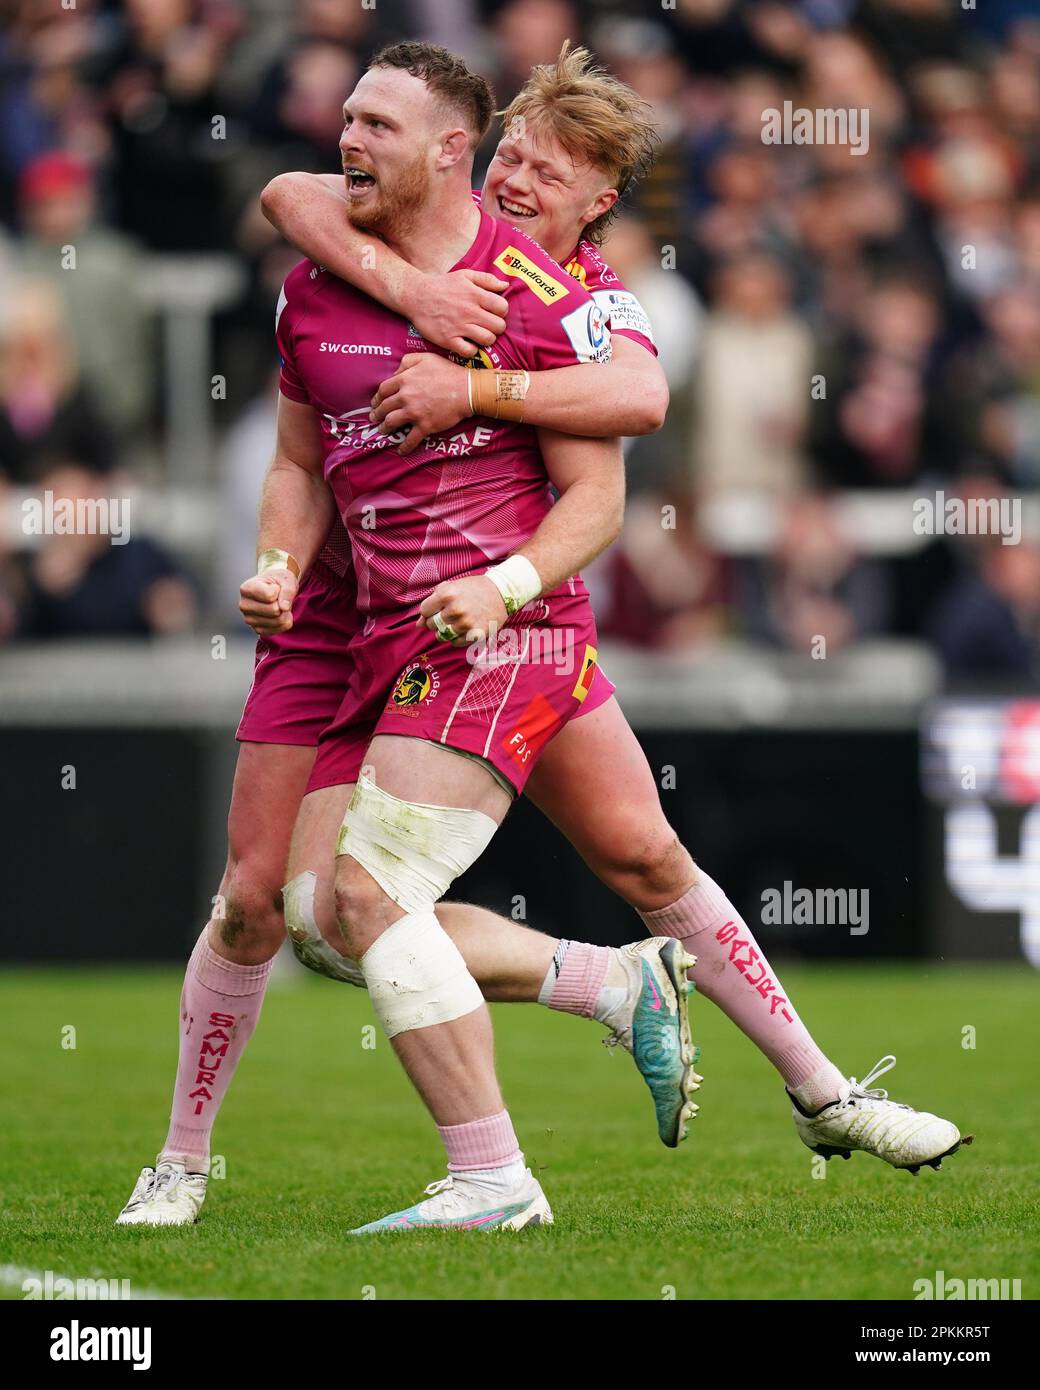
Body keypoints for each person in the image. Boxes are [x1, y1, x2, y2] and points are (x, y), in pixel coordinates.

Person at [117, 42, 967, 1233]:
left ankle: (523, 1162)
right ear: (475, 152)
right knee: (357, 901)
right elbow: (288, 219)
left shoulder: (572, 292)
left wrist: (473, 402)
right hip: (346, 620)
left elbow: (635, 412)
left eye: (550, 171)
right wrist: (405, 304)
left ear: (597, 201)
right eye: (514, 153)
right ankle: (663, 1011)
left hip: (490, 617)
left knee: (366, 899)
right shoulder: (337, 258)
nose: (521, 181)